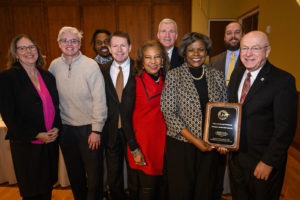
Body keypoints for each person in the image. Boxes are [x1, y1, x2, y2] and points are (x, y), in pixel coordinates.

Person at [228, 31, 298, 200]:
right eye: (244, 48)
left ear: (267, 51)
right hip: (236, 160)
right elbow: (232, 111)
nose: (248, 53)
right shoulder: (237, 74)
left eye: (255, 48)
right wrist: (224, 141)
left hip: (262, 163)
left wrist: (268, 162)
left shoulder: (283, 80)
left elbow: (285, 129)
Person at [161, 32, 228, 200]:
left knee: (206, 189)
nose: (196, 54)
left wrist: (223, 140)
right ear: (184, 52)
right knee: (181, 190)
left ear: (206, 52)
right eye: (191, 50)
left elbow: (225, 111)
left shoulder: (218, 76)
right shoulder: (174, 75)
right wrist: (195, 140)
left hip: (210, 145)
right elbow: (168, 112)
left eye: (201, 50)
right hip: (182, 144)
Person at [49, 26, 107, 200]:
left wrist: (96, 130)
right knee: (75, 175)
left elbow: (100, 100)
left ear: (80, 44)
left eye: (74, 40)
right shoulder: (54, 66)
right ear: (59, 43)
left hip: (89, 129)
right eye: (65, 40)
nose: (69, 44)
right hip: (66, 130)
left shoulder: (91, 66)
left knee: (94, 176)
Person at [0, 34, 61, 200]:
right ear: (15, 53)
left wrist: (56, 128)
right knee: (31, 192)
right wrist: (36, 134)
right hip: (27, 145)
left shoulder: (48, 76)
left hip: (49, 144)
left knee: (47, 188)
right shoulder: (7, 78)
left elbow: (56, 107)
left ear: (38, 51)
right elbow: (9, 117)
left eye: (31, 47)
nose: (28, 51)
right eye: (22, 48)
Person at [100, 31, 143, 200]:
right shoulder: (101, 71)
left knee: (135, 171)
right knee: (113, 173)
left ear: (130, 47)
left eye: (123, 45)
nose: (119, 49)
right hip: (110, 129)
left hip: (134, 130)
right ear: (109, 48)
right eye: (115, 46)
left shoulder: (139, 69)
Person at [126, 40, 169, 200]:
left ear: (162, 60)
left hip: (164, 144)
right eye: (148, 57)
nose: (153, 61)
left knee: (163, 188)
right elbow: (124, 118)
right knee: (147, 189)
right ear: (142, 61)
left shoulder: (168, 80)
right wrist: (134, 149)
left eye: (157, 57)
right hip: (144, 144)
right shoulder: (134, 81)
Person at [209, 21, 243, 199]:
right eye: (229, 33)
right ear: (224, 37)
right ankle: (218, 192)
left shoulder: (249, 58)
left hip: (241, 116)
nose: (233, 36)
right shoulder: (215, 60)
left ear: (242, 35)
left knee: (238, 161)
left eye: (237, 32)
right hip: (220, 117)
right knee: (218, 160)